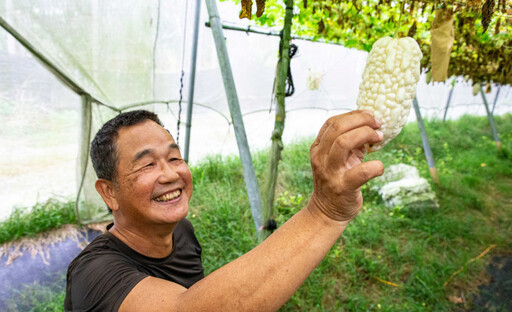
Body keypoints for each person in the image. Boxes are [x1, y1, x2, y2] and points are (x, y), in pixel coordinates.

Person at [65, 109, 384, 311]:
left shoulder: (182, 232)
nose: (170, 174)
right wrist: (324, 213)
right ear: (109, 192)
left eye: (174, 158)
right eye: (147, 164)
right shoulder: (93, 274)